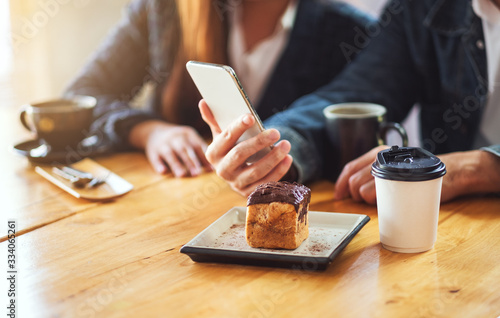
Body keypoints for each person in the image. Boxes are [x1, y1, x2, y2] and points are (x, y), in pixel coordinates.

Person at [200, 0, 500, 202]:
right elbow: (355, 94)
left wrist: (473, 168)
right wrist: (274, 153)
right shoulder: (421, 7)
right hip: (453, 230)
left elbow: (462, 170)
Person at [64, 0, 372, 177]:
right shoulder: (167, 10)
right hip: (172, 220)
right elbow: (82, 96)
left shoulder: (349, 33)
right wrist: (149, 131)